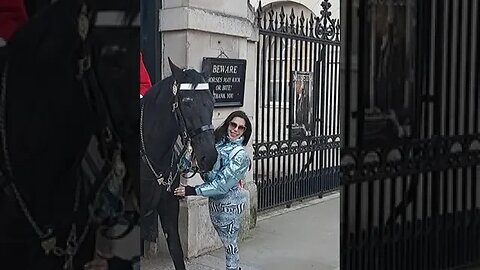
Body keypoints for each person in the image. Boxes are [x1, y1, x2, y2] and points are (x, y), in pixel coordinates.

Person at [174, 110, 252, 270]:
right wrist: (190, 150)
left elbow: (221, 185)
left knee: (230, 245)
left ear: (245, 131)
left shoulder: (240, 155)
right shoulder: (216, 143)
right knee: (228, 244)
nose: (235, 129)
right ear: (228, 123)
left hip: (230, 204)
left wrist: (191, 190)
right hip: (215, 203)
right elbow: (186, 167)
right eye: (233, 124)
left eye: (241, 128)